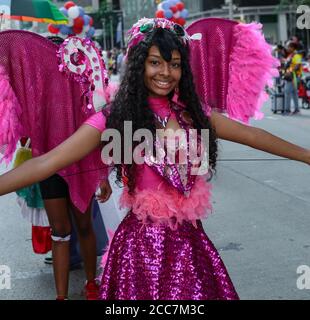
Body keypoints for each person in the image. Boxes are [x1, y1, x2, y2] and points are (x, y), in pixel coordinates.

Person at [0, 18, 310, 300]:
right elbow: (47, 162)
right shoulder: (114, 118)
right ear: (138, 64)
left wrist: (306, 155)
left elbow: (253, 136)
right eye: (155, 63)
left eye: (174, 64)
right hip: (139, 251)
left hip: (191, 246)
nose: (166, 72)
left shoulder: (193, 113)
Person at [283, 42, 303, 115]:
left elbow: (297, 65)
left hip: (293, 76)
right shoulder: (290, 56)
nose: (288, 48)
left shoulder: (297, 56)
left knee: (287, 92)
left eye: (289, 47)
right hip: (290, 76)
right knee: (294, 93)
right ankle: (296, 109)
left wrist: (289, 71)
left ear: (293, 48)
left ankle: (287, 110)